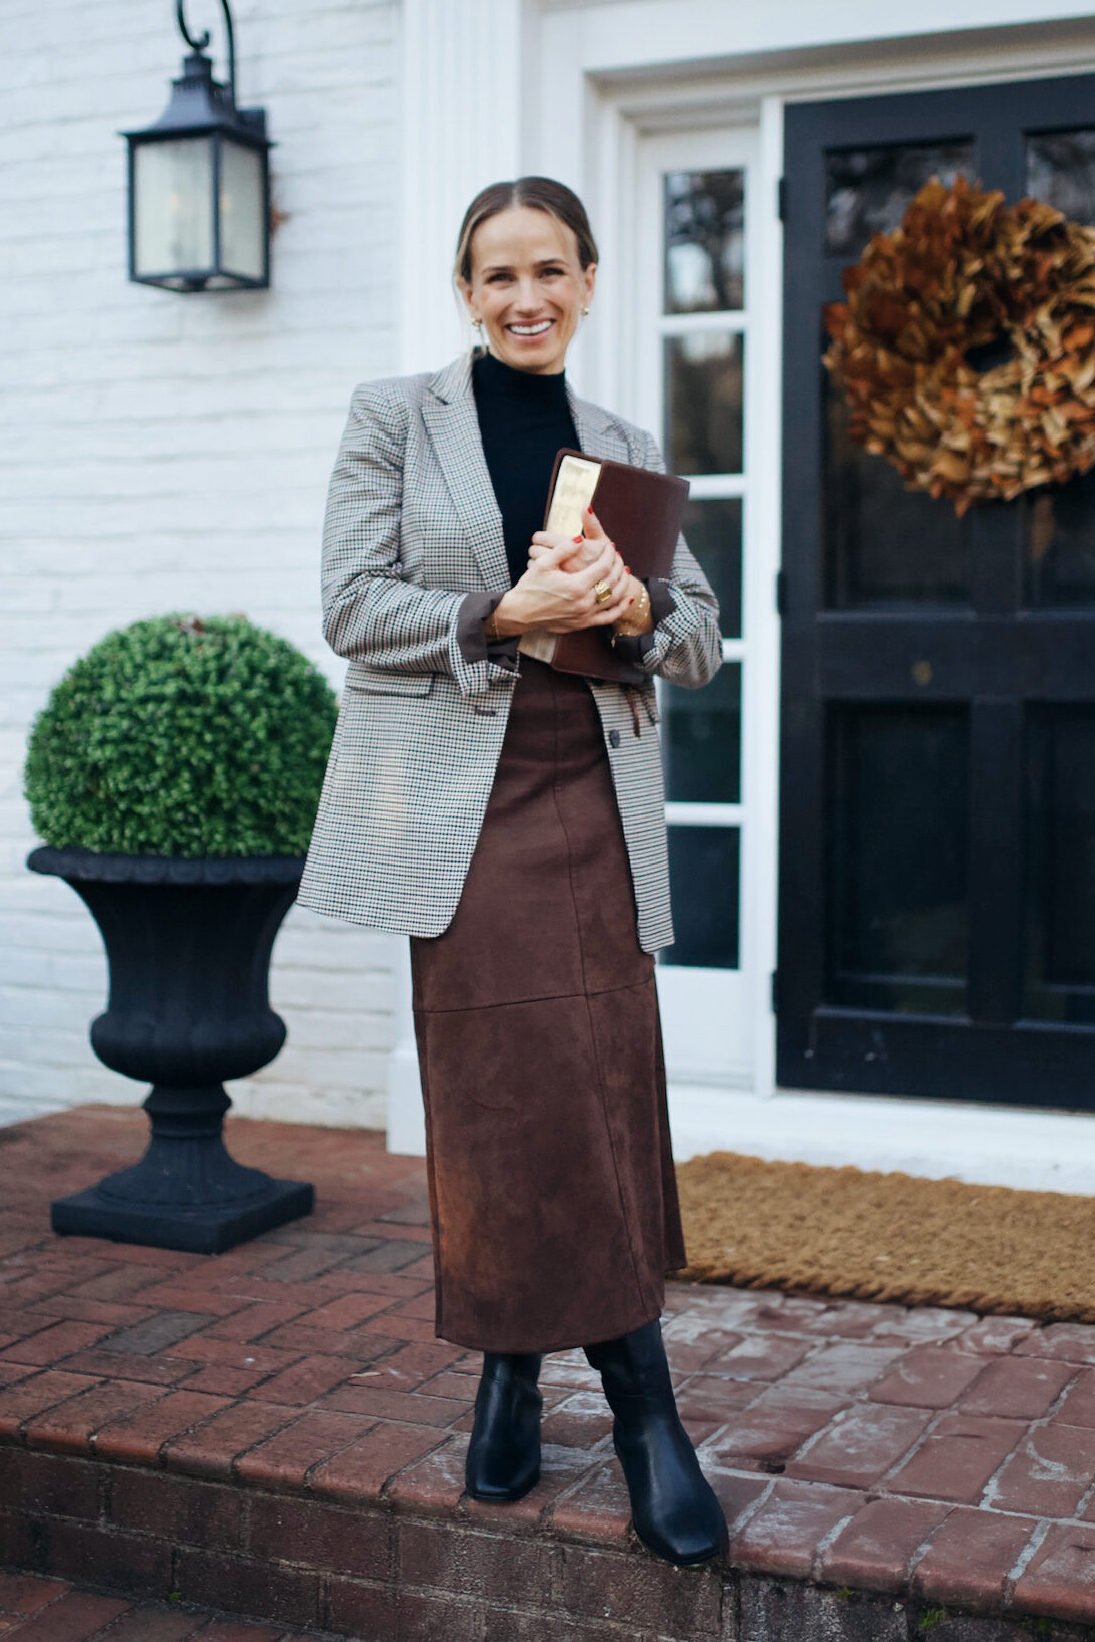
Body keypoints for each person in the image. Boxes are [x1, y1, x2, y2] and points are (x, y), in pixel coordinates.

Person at [297, 176, 726, 1566]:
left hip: (595, 796)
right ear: (466, 293)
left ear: (591, 282)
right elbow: (353, 607)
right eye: (499, 276)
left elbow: (702, 631)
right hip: (462, 811)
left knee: (603, 1087)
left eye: (552, 270)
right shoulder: (394, 417)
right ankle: (511, 1363)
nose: (527, 296)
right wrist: (500, 610)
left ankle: (641, 1404)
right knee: (494, 1096)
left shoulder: (622, 438)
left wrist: (639, 603)